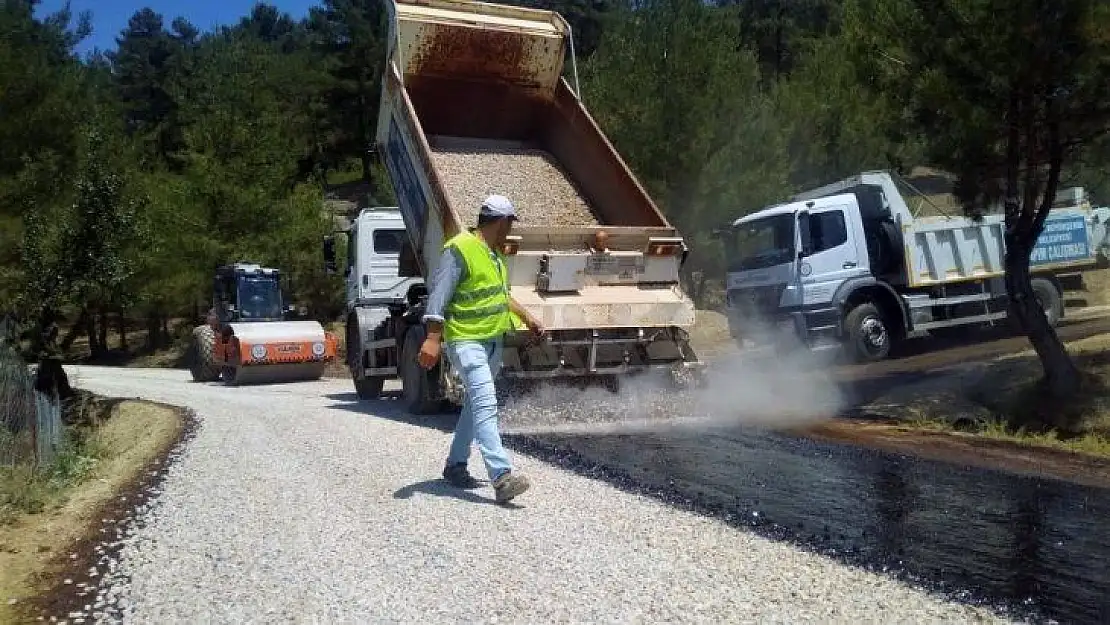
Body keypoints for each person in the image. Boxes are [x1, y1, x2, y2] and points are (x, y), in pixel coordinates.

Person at [418, 194, 544, 504]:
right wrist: (433, 338)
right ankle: (501, 477)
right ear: (500, 222)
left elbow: (501, 296)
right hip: (466, 341)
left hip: (491, 341)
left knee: (475, 407)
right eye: (509, 224)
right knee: (487, 404)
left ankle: (455, 465)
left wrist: (527, 316)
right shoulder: (459, 249)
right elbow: (439, 296)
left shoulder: (495, 255)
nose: (511, 230)